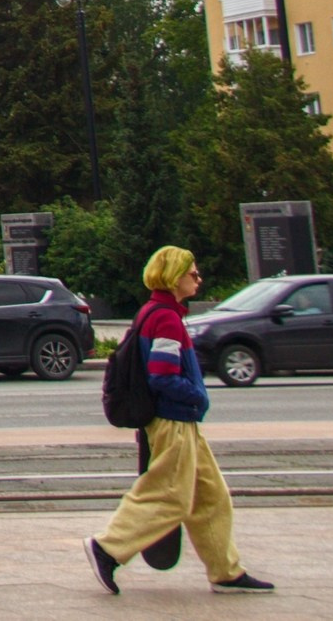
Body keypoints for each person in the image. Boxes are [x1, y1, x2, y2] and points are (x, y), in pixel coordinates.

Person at [85, 247, 274, 596]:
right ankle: (107, 548)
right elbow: (162, 375)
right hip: (173, 420)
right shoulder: (166, 320)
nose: (198, 279)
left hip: (179, 421)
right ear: (174, 277)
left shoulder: (155, 312)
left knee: (211, 496)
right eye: (193, 273)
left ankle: (225, 572)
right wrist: (197, 396)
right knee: (169, 496)